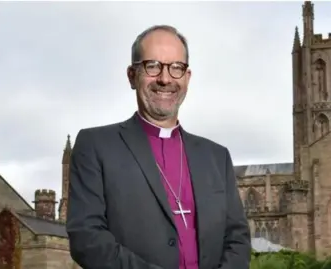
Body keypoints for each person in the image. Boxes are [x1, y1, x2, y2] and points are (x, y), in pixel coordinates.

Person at [66, 25, 251, 269]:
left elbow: (237, 238)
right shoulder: (96, 146)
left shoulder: (217, 157)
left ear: (187, 78)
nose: (165, 79)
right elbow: (86, 238)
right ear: (132, 75)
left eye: (176, 68)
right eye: (152, 66)